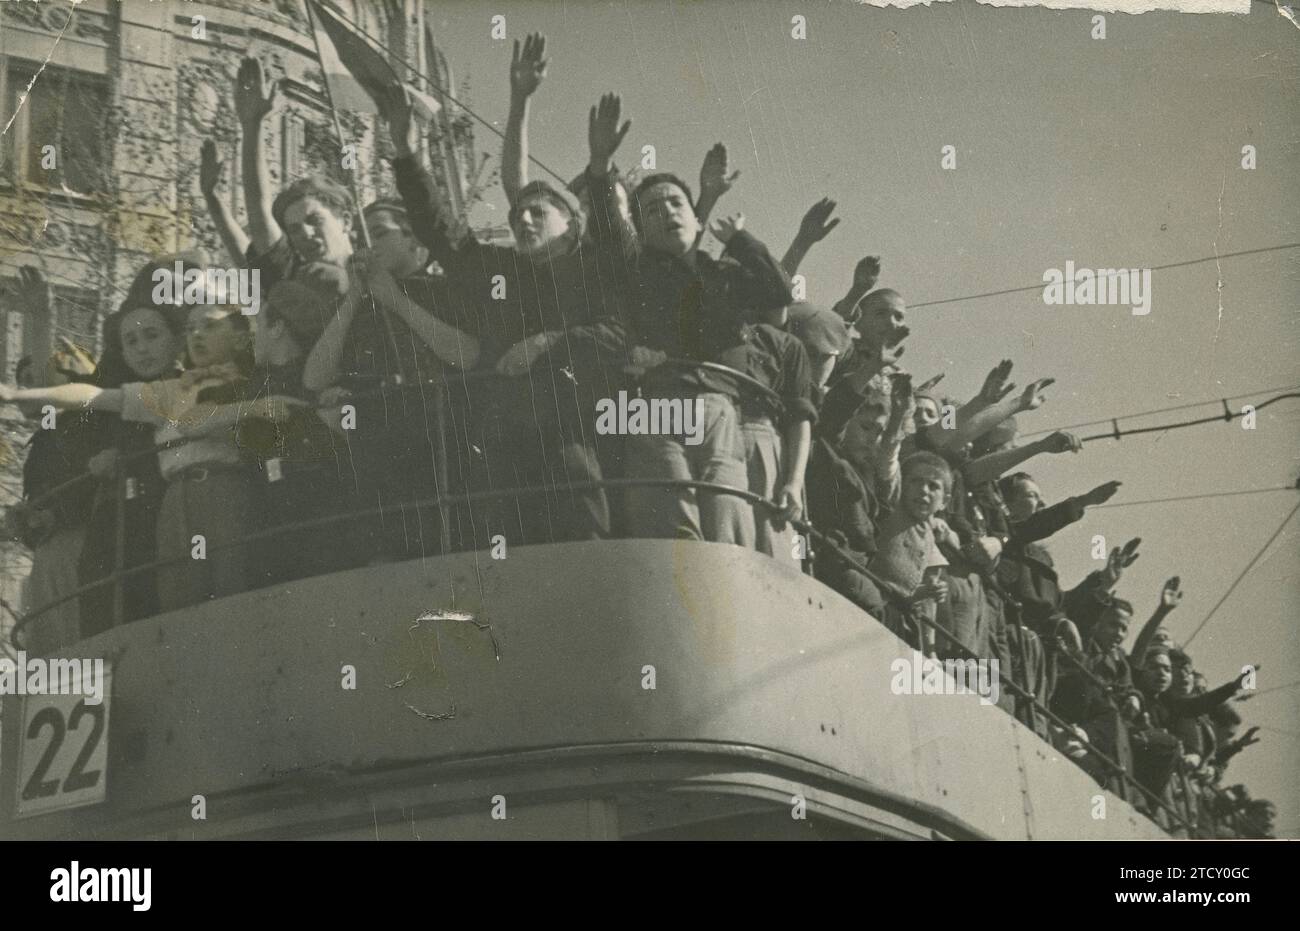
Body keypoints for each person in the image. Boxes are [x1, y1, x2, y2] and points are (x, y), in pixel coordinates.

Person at [389, 84, 627, 547]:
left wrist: (545, 342)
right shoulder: (500, 269)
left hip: (573, 433)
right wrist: (405, 152)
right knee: (504, 559)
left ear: (570, 222)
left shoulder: (592, 269)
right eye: (517, 216)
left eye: (537, 212)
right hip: (501, 437)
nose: (524, 221)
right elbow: (440, 231)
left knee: (581, 548)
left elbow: (615, 334)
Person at [581, 94, 794, 546]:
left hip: (718, 405)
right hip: (653, 400)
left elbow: (777, 293)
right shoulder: (635, 267)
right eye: (652, 210)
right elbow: (606, 225)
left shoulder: (724, 275)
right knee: (670, 517)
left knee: (726, 513)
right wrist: (600, 163)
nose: (666, 213)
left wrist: (741, 241)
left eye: (676, 203)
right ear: (640, 228)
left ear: (696, 219)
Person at [2, 304, 303, 612]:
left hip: (226, 490)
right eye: (192, 328)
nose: (198, 335)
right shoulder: (171, 390)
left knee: (233, 592)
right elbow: (93, 397)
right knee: (179, 598)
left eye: (210, 326)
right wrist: (18, 396)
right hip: (176, 498)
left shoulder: (252, 382)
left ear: (240, 339)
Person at [868, 451, 961, 651]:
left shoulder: (930, 539)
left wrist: (931, 652)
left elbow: (927, 603)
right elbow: (888, 459)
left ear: (944, 501)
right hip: (874, 607)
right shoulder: (892, 509)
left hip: (901, 619)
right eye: (916, 481)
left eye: (933, 486)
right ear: (902, 485)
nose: (924, 491)